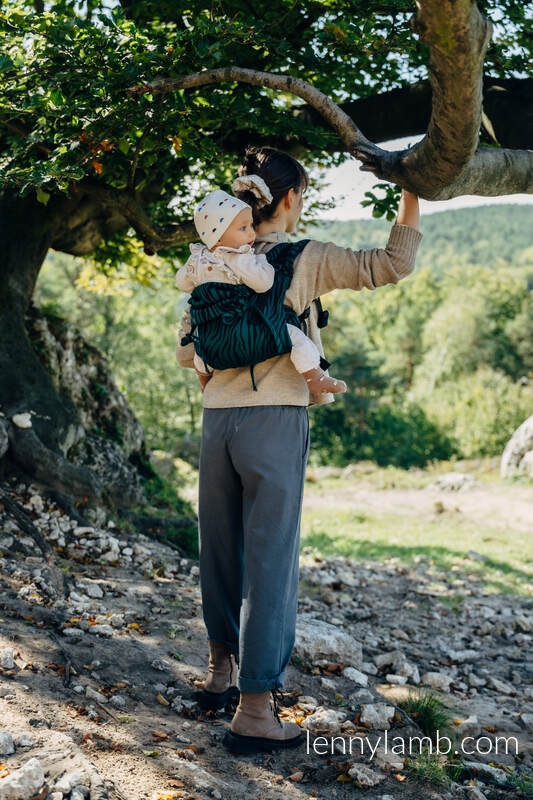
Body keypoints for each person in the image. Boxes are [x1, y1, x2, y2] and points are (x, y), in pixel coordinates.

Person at [176, 145, 422, 754]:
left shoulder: (212, 257)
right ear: (291, 199)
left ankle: (218, 677)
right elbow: (392, 263)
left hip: (217, 422)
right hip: (274, 419)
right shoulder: (302, 257)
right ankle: (256, 713)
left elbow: (187, 351)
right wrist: (414, 190)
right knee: (271, 561)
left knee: (221, 549)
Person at [175, 181, 347, 395]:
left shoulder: (197, 259)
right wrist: (261, 262)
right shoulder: (240, 260)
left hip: (216, 332)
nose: (251, 234)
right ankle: (314, 377)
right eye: (243, 228)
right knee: (293, 335)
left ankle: (205, 382)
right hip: (243, 327)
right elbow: (264, 282)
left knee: (201, 349)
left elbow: (181, 282)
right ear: (218, 237)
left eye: (250, 226)